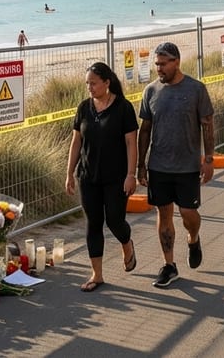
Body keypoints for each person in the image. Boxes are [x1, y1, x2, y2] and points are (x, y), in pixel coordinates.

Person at [137, 41, 215, 288]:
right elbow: (145, 129)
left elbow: (208, 125)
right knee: (163, 213)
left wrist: (209, 159)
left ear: (176, 62)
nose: (158, 68)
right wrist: (141, 165)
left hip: (188, 166)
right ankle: (169, 265)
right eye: (156, 64)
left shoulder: (196, 89)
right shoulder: (150, 91)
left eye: (162, 64)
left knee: (188, 214)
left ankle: (193, 239)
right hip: (159, 165)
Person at [65, 62, 139, 292]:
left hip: (116, 177)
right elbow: (76, 141)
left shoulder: (123, 108)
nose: (90, 87)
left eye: (94, 83)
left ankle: (127, 244)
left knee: (115, 221)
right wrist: (69, 173)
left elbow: (131, 143)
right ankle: (97, 274)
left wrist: (131, 174)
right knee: (93, 223)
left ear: (107, 83)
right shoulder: (83, 108)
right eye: (87, 83)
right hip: (88, 176)